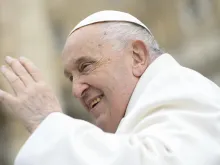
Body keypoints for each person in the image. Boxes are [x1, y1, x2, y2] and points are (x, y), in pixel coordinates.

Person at [0, 10, 220, 165]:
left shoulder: (185, 92)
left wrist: (47, 123)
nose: (76, 91)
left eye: (85, 66)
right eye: (70, 79)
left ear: (137, 57)